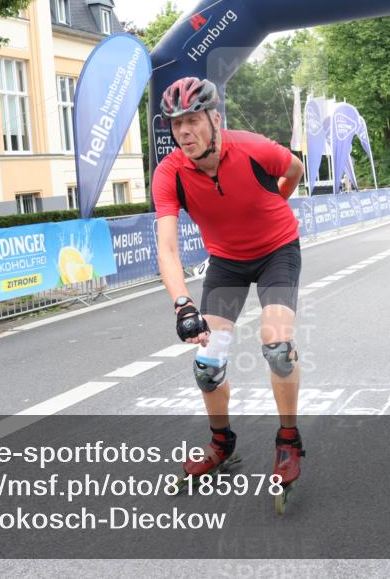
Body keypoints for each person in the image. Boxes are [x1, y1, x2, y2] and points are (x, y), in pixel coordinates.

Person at [152, 77, 307, 493]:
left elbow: (294, 168)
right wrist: (182, 304)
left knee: (277, 347)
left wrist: (277, 199)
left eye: (192, 120)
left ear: (214, 118)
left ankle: (288, 440)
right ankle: (222, 442)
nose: (183, 132)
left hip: (277, 249)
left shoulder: (253, 148)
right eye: (175, 123)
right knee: (207, 365)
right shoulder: (170, 174)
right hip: (226, 262)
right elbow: (167, 249)